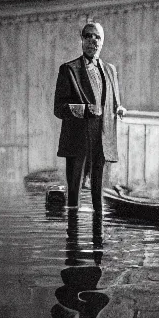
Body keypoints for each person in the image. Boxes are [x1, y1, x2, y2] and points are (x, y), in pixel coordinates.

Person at [53, 21, 126, 212]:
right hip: (78, 136)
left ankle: (98, 230)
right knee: (74, 193)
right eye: (88, 36)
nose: (92, 40)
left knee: (97, 196)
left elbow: (114, 100)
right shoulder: (69, 69)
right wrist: (85, 110)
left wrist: (118, 109)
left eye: (97, 37)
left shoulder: (110, 70)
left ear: (102, 42)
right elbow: (59, 108)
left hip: (102, 136)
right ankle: (73, 230)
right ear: (81, 40)